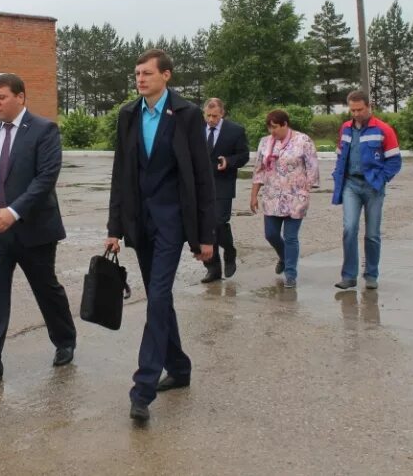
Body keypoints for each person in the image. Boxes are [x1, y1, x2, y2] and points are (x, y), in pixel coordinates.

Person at [106, 48, 215, 423]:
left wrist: (205, 235)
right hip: (141, 224)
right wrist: (114, 229)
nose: (140, 79)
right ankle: (180, 368)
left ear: (166, 75)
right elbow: (122, 173)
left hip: (172, 223)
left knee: (158, 297)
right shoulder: (128, 115)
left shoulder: (186, 115)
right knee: (159, 298)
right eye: (137, 73)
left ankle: (144, 388)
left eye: (147, 73)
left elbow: (202, 177)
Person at [0, 73, 77, 389]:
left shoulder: (44, 130)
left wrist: (13, 212)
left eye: (1, 97)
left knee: (46, 288)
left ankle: (65, 339)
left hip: (34, 231)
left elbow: (45, 179)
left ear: (21, 97)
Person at [331, 90, 402, 290]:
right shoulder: (345, 129)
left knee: (372, 234)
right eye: (352, 110)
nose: (355, 114)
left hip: (373, 187)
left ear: (369, 107)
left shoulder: (383, 129)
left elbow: (395, 161)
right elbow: (340, 155)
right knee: (349, 228)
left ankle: (371, 275)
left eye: (359, 109)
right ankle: (349, 276)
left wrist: (381, 180)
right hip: (351, 185)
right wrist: (338, 176)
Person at [249, 109, 319, 289]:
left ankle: (290, 274)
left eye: (275, 127)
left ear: (285, 125)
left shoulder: (303, 141)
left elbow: (312, 167)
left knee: (291, 237)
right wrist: (254, 195)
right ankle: (283, 256)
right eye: (269, 128)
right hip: (272, 197)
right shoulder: (265, 143)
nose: (272, 131)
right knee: (270, 234)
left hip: (295, 197)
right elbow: (259, 170)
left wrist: (306, 190)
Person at [200, 98, 250, 283]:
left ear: (222, 113)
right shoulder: (196, 129)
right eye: (208, 115)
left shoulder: (235, 131)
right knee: (204, 226)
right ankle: (213, 268)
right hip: (200, 185)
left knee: (219, 222)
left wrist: (229, 161)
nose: (211, 119)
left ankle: (229, 251)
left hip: (223, 183)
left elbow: (244, 156)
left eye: (215, 116)